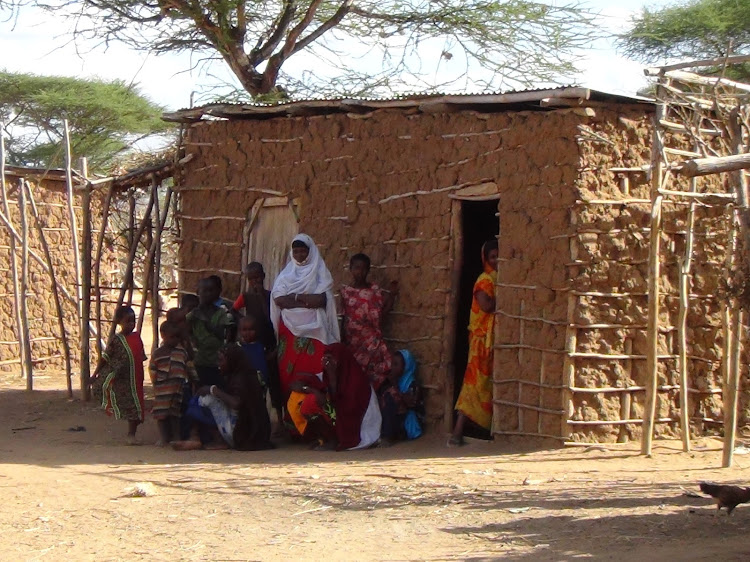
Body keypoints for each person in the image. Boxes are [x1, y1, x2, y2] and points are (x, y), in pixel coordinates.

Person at [270, 234, 340, 404]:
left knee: (314, 371)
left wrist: (293, 298)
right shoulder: (285, 276)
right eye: (296, 252)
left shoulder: (320, 274)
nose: (300, 255)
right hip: (290, 332)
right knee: (288, 374)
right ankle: (290, 421)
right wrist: (305, 300)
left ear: (311, 252)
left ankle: (316, 415)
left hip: (315, 333)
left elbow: (321, 300)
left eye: (303, 251)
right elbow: (279, 300)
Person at [174, 345, 274, 451]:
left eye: (221, 360)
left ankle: (202, 438)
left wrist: (213, 390)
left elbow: (237, 403)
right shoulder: (245, 375)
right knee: (209, 398)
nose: (218, 364)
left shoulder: (241, 379)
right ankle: (203, 437)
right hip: (251, 434)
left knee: (206, 399)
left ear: (232, 361)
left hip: (241, 436)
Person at [448, 239, 499, 447]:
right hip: (480, 345)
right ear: (485, 259)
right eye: (492, 257)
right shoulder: (484, 280)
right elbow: (486, 306)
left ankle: (481, 431)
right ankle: (457, 432)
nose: (497, 261)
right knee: (473, 385)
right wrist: (507, 292)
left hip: (491, 341)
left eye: (499, 256)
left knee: (487, 387)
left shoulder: (497, 280)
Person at [286, 343, 381, 451]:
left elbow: (347, 408)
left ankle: (334, 439)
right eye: (325, 358)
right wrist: (312, 390)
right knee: (299, 397)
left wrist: (332, 378)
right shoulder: (326, 374)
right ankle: (324, 438)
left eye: (331, 358)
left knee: (313, 402)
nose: (327, 362)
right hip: (341, 417)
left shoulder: (356, 381)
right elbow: (294, 385)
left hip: (357, 426)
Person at [233, 262, 283, 431]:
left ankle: (281, 422)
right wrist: (243, 321)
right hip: (254, 346)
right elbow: (233, 310)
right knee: (256, 384)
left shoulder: (270, 296)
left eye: (258, 277)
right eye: (251, 279)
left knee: (274, 384)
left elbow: (271, 316)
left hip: (269, 344)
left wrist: (261, 296)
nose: (255, 281)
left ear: (263, 276)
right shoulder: (245, 297)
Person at [339, 253, 398, 390]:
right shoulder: (345, 292)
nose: (360, 272)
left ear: (368, 270)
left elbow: (382, 313)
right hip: (353, 342)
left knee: (374, 376)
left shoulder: (374, 290)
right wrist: (342, 340)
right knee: (354, 376)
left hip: (371, 341)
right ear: (351, 269)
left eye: (364, 269)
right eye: (357, 268)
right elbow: (343, 316)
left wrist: (392, 295)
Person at [90, 306, 147, 445]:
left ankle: (132, 434)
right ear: (118, 322)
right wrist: (95, 374)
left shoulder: (137, 338)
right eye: (128, 321)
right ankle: (130, 435)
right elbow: (106, 358)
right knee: (130, 406)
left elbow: (141, 357)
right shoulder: (116, 340)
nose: (131, 324)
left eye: (133, 321)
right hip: (123, 380)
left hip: (136, 379)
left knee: (138, 408)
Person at [149, 320, 198, 446]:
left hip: (178, 390)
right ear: (163, 335)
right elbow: (152, 369)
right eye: (172, 337)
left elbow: (188, 367)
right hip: (162, 390)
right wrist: (156, 384)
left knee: (175, 415)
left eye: (177, 337)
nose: (175, 340)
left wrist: (195, 380)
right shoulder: (158, 353)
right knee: (161, 415)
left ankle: (176, 437)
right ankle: (163, 438)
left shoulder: (181, 352)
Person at [188, 277, 231, 388]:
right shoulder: (194, 313)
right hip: (198, 361)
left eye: (211, 290)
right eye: (204, 290)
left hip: (216, 362)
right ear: (198, 292)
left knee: (216, 391)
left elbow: (222, 334)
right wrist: (192, 340)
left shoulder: (220, 313)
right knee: (199, 391)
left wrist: (206, 321)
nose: (208, 294)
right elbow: (184, 329)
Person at [378, 349, 423, 446]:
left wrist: (395, 386)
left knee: (391, 397)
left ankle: (389, 436)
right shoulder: (394, 380)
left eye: (396, 364)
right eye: (392, 364)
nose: (392, 368)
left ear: (406, 367)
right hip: (397, 416)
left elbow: (411, 403)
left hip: (408, 419)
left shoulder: (412, 384)